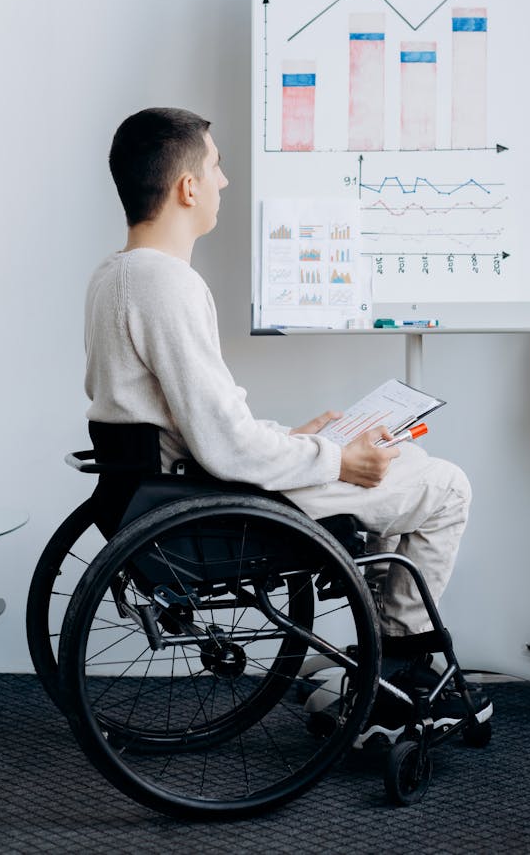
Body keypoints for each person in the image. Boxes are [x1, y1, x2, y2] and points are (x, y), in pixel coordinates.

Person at [85, 107, 478, 736]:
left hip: (167, 484)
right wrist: (335, 457)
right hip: (208, 498)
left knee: (404, 466)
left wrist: (301, 440)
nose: (225, 181)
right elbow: (223, 444)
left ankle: (384, 663)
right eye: (215, 167)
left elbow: (192, 421)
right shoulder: (167, 285)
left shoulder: (115, 276)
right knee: (446, 486)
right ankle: (400, 673)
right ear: (187, 188)